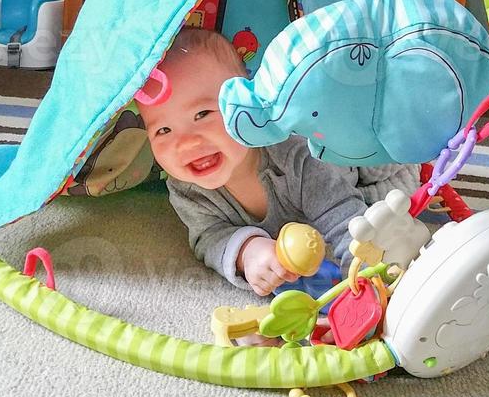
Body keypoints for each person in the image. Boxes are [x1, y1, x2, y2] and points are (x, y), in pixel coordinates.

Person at [138, 27, 420, 302]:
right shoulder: (187, 189)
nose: (185, 143)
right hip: (305, 223)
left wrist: (358, 281)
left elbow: (342, 215)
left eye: (202, 114)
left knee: (388, 185)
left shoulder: (295, 156)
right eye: (163, 130)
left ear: (245, 104)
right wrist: (247, 251)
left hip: (340, 160)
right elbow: (208, 236)